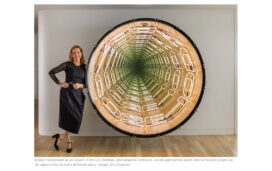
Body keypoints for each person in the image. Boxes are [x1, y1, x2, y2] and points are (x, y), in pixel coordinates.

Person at [49, 45, 86, 153]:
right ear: (71, 55)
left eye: (78, 52)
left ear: (81, 53)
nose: (76, 55)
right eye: (74, 53)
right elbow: (51, 72)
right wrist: (59, 83)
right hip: (67, 95)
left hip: (78, 96)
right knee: (69, 118)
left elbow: (87, 84)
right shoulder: (67, 65)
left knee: (76, 120)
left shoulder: (85, 67)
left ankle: (60, 137)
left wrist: (80, 86)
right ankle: (69, 142)